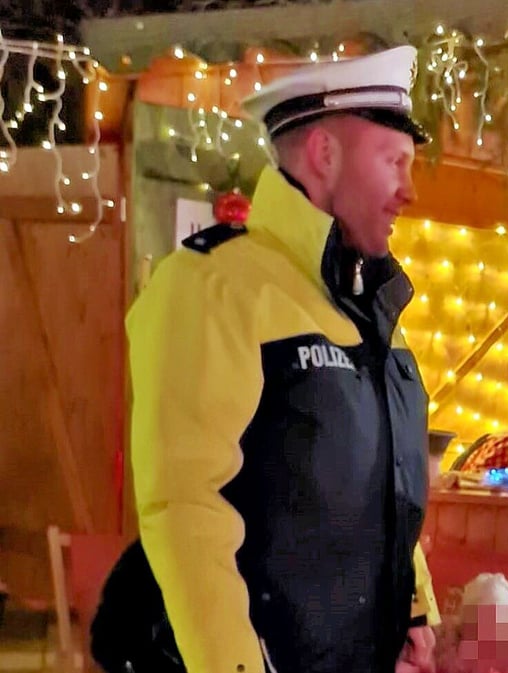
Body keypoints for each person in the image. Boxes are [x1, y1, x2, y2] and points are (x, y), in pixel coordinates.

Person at [120, 46, 439, 673]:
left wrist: (413, 607)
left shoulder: (370, 310)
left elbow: (387, 484)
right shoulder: (213, 288)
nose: (409, 190)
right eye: (393, 161)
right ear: (326, 154)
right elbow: (186, 507)